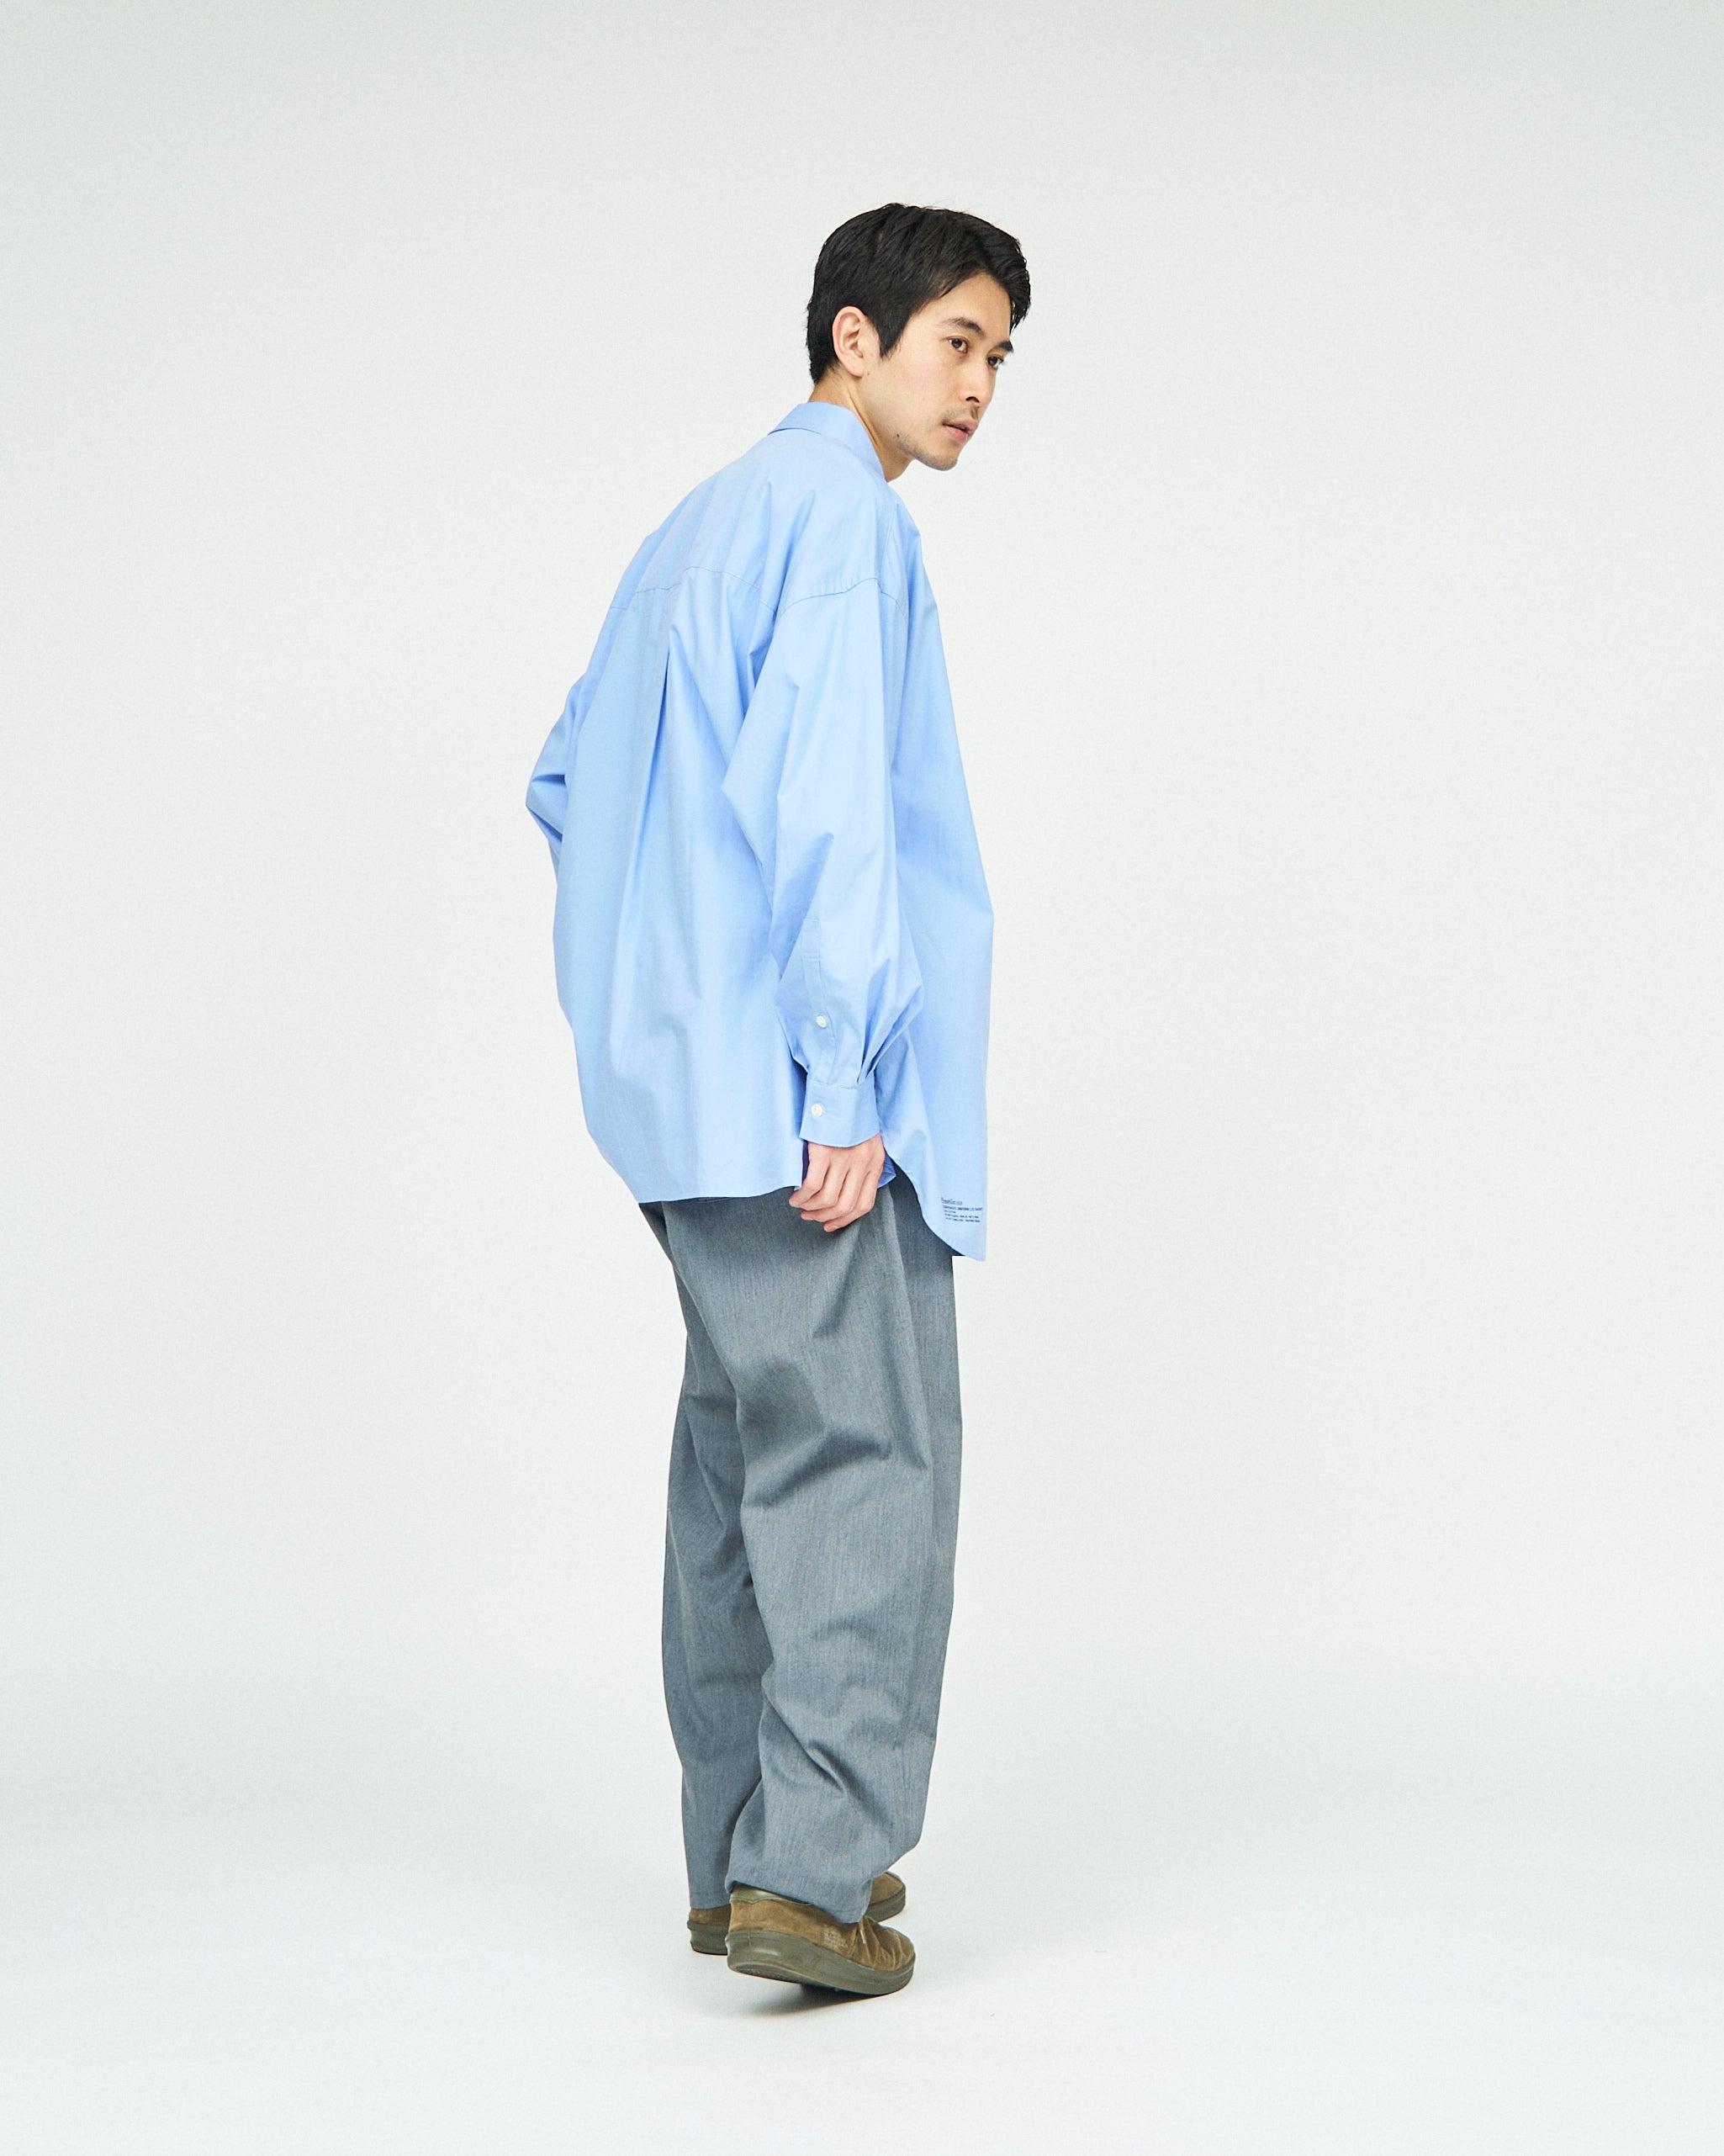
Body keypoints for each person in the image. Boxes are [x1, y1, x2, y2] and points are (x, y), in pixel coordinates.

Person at [526, 203, 1029, 1998]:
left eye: (1000, 357)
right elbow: (828, 813)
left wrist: (654, 999)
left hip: (683, 1105)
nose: (979, 386)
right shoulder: (836, 519)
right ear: (851, 337)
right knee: (861, 1461)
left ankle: (735, 1861)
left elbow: (566, 779)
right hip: (800, 1098)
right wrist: (833, 1071)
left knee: (739, 1467)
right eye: (955, 341)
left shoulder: (694, 526)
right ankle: (811, 1885)